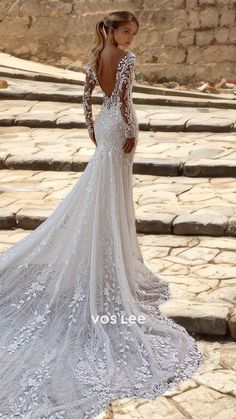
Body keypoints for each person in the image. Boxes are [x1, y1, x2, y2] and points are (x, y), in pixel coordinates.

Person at [0, 10, 204, 419]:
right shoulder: (126, 61)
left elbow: (86, 96)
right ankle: (109, 249)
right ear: (110, 30)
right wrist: (128, 129)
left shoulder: (94, 57)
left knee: (103, 188)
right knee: (115, 191)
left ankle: (103, 244)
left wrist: (90, 126)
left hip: (103, 125)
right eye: (126, 32)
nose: (130, 40)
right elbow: (125, 99)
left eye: (132, 34)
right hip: (120, 125)